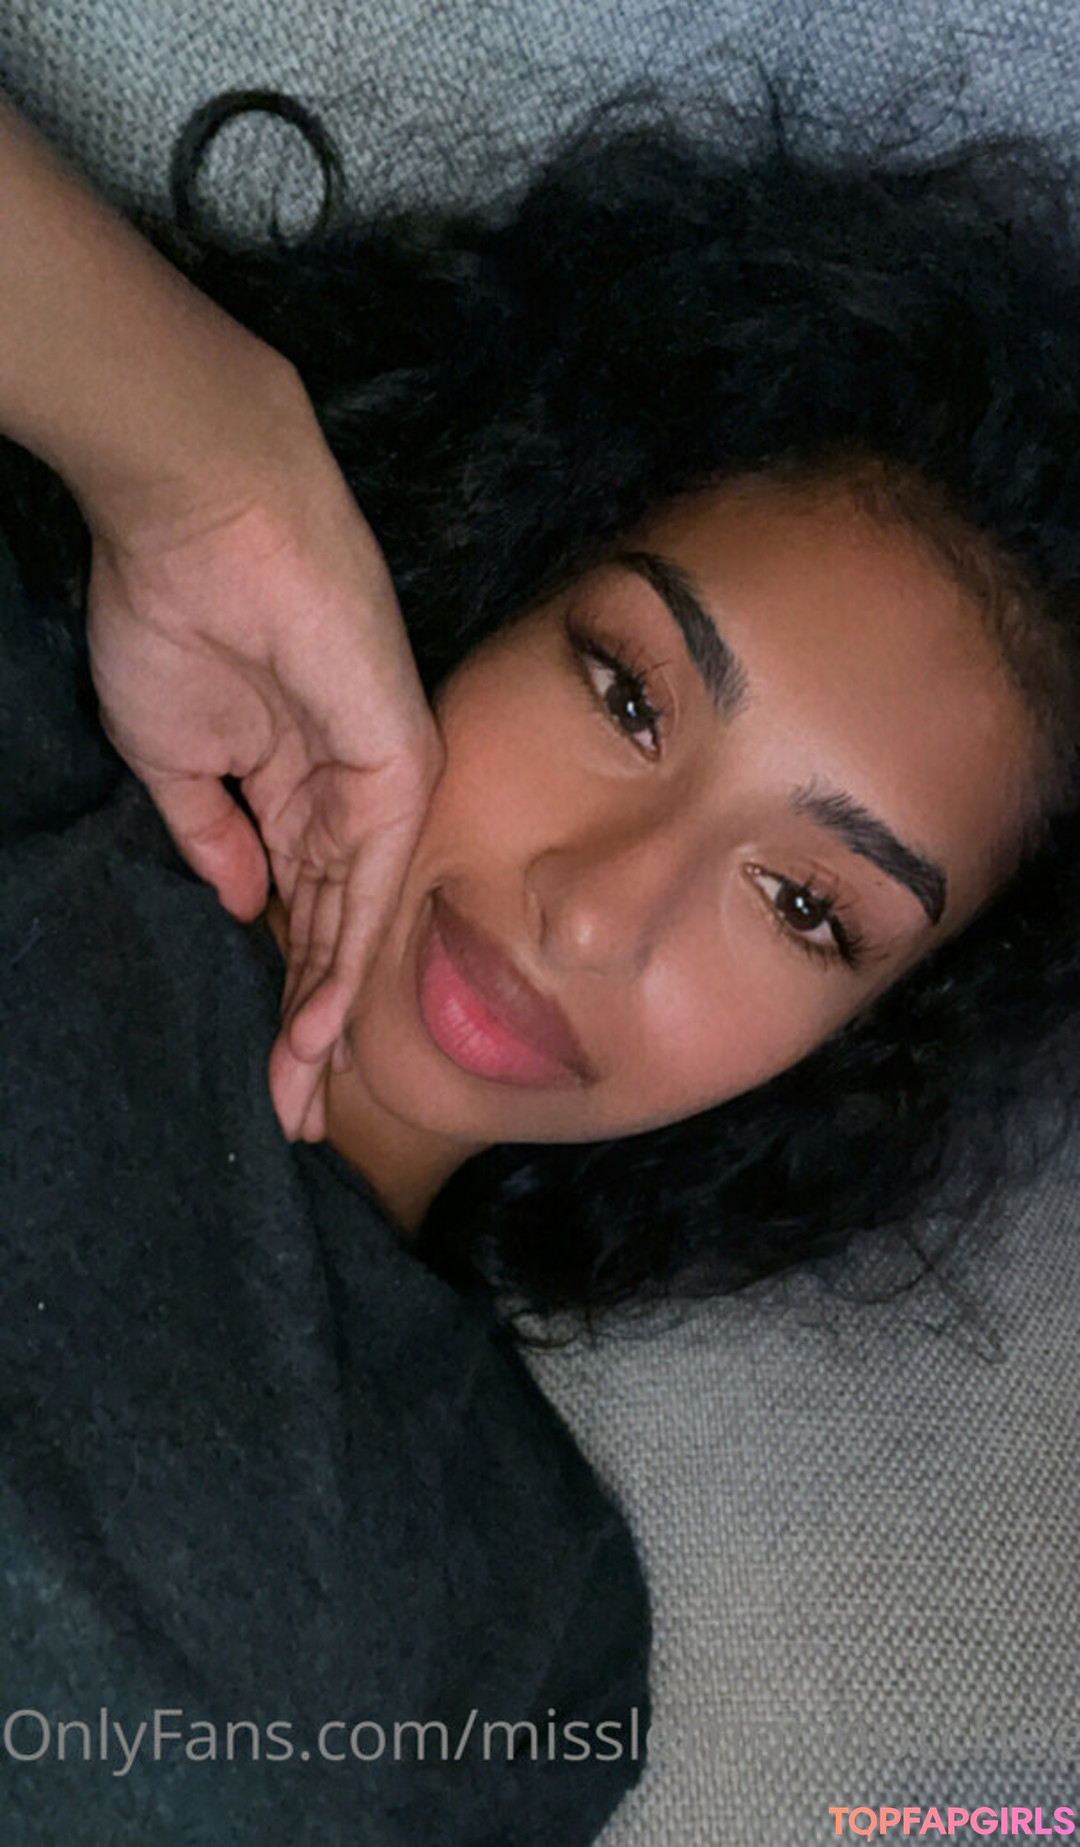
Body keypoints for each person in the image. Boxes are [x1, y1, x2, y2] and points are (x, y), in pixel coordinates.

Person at [0, 85, 1078, 1837]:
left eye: (805, 909)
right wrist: (202, 459)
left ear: (862, 1050)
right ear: (506, 556)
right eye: (627, 692)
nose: (597, 911)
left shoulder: (532, 1630)